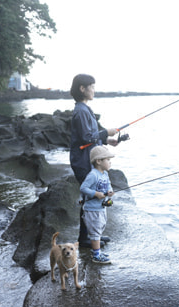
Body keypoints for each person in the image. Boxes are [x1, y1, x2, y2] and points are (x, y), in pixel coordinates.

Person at [69, 74, 118, 248]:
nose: (94, 90)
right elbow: (86, 137)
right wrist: (107, 132)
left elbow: (91, 137)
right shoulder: (81, 111)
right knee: (89, 199)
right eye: (92, 87)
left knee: (92, 199)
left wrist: (106, 141)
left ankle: (92, 236)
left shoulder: (84, 109)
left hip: (86, 159)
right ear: (82, 88)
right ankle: (85, 239)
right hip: (82, 162)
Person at [80, 145, 115, 264]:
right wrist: (96, 194)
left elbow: (108, 185)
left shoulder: (105, 174)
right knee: (95, 232)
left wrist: (109, 192)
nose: (110, 163)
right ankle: (96, 256)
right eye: (108, 160)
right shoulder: (93, 175)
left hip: (101, 208)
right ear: (99, 161)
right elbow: (83, 188)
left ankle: (97, 251)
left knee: (99, 228)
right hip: (92, 209)